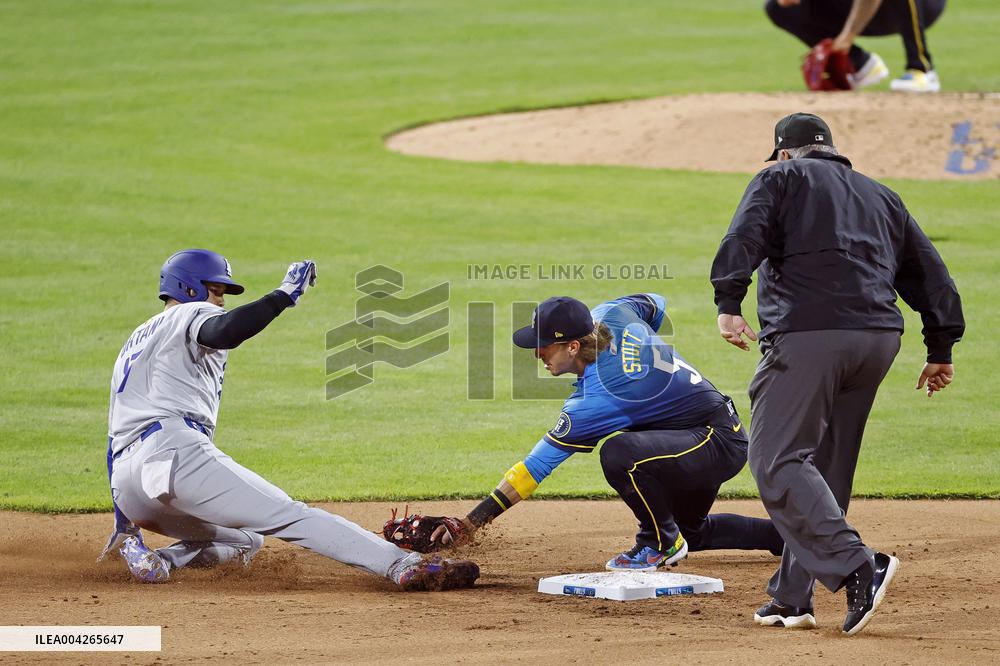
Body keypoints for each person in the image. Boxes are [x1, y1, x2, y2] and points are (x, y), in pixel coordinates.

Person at [710, 112, 964, 634]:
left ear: (785, 152)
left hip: (810, 336)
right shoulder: (881, 195)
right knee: (825, 468)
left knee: (775, 459)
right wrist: (941, 346)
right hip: (877, 342)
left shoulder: (779, 177)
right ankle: (791, 598)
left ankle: (859, 565)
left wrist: (728, 300)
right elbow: (929, 272)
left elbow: (746, 234)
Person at [99, 249, 478, 591]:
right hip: (174, 454)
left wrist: (126, 519)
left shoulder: (135, 341)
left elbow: (114, 435)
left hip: (130, 485)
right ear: (190, 288)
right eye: (217, 290)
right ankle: (402, 565)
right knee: (290, 515)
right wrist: (282, 296)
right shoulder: (189, 312)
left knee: (247, 539)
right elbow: (226, 330)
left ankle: (156, 560)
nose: (221, 300)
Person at [433, 294, 783, 569]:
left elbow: (534, 468)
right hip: (698, 434)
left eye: (544, 346)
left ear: (572, 346)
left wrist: (471, 523)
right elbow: (653, 303)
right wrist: (645, 359)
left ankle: (658, 544)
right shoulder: (612, 313)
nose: (537, 353)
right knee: (690, 529)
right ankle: (789, 538)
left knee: (620, 454)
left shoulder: (598, 398)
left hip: (712, 442)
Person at [765, 0, 947, 92]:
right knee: (778, 8)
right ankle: (859, 64)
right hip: (860, 11)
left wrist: (847, 36)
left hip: (922, 6)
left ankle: (922, 69)